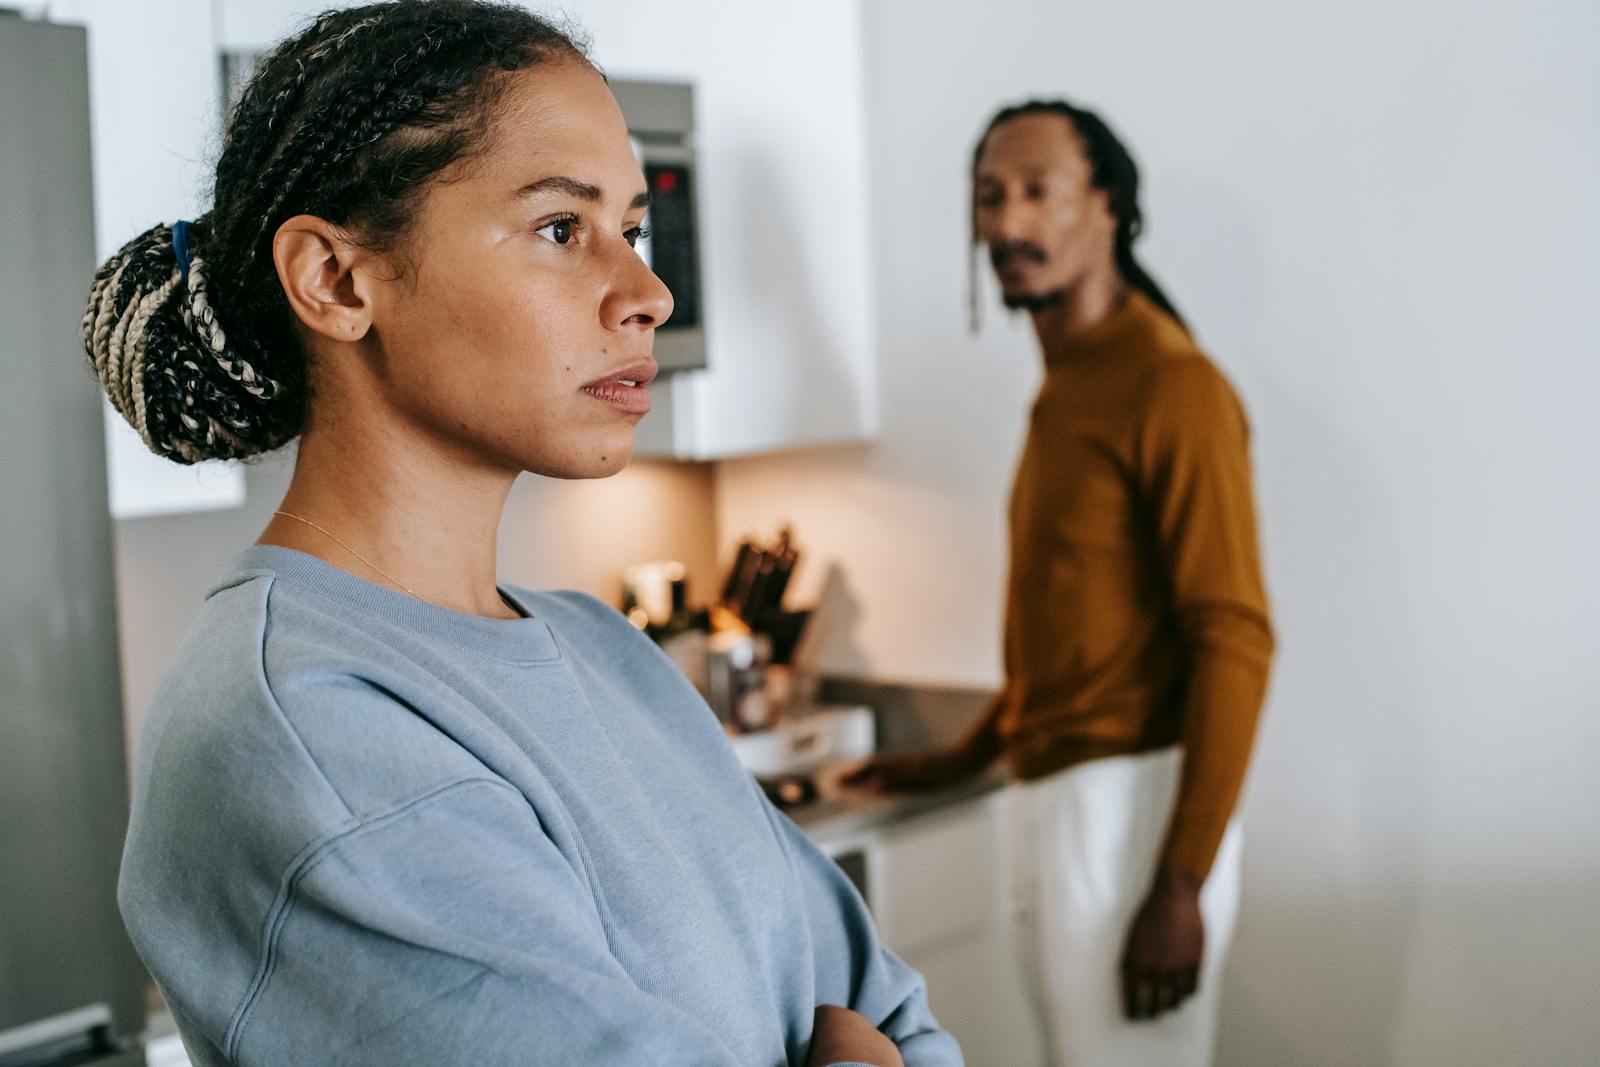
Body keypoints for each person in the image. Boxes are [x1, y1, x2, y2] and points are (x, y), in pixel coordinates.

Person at [85, 4, 961, 1065]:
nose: (647, 290)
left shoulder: (605, 650)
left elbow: (897, 1014)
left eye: (630, 230)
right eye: (561, 227)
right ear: (337, 280)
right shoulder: (302, 730)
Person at [846, 99, 1275, 1067]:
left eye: (1037, 192)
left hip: (1132, 814)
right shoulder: (1069, 378)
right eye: (989, 196)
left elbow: (1235, 638)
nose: (1005, 223)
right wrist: (963, 755)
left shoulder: (1171, 383)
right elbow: (1082, 629)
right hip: (1057, 798)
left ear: (1108, 208)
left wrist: (1181, 884)